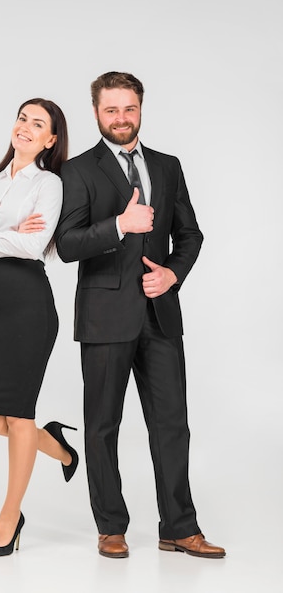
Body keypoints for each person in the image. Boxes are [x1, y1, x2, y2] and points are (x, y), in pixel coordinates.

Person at [55, 72, 225, 559]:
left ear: (141, 108)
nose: (122, 118)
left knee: (173, 425)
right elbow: (67, 245)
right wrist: (119, 225)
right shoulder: (79, 170)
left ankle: (179, 527)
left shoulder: (167, 166)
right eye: (112, 110)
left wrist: (172, 275)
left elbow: (189, 235)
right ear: (96, 113)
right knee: (103, 425)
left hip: (161, 315)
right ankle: (111, 526)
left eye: (129, 108)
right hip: (105, 316)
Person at [0, 97, 78, 558]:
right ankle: (60, 449)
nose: (25, 127)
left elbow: (34, 247)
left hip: (29, 304)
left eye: (37, 124)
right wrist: (8, 233)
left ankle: (10, 517)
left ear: (51, 140)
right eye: (22, 118)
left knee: (18, 414)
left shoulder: (48, 184)